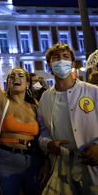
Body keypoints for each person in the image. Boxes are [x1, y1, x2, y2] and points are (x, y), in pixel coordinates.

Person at [0, 30, 41, 195]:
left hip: (33, 161)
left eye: (20, 76)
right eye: (11, 76)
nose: (15, 78)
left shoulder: (35, 107)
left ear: (27, 84)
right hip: (6, 161)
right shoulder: (2, 102)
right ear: (7, 83)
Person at [37, 43, 98, 193]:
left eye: (66, 57)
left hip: (93, 164)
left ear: (72, 63)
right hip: (62, 166)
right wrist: (48, 144)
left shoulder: (92, 91)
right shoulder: (45, 98)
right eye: (56, 58)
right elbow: (43, 132)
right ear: (49, 66)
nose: (61, 61)